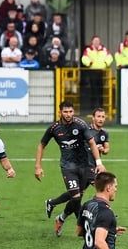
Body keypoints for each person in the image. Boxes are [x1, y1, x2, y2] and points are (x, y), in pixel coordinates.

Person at [35, 101, 106, 237]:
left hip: (85, 166)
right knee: (76, 197)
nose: (68, 115)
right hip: (68, 167)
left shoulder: (80, 124)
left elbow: (91, 142)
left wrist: (99, 163)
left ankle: (58, 213)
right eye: (65, 112)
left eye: (71, 112)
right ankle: (86, 229)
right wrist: (38, 166)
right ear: (60, 112)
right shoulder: (54, 128)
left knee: (100, 189)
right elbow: (41, 145)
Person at [46, 107, 110, 223]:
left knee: (76, 195)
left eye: (103, 117)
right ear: (93, 118)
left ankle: (57, 211)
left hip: (93, 167)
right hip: (85, 167)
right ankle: (98, 217)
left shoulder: (104, 133)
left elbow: (106, 149)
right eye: (98, 116)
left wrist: (102, 150)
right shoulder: (84, 129)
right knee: (103, 188)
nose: (101, 119)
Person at [80, 35, 113, 112]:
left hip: (102, 71)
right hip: (92, 71)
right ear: (92, 41)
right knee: (93, 89)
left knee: (101, 89)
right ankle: (92, 106)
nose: (96, 42)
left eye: (98, 41)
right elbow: (84, 58)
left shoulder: (104, 49)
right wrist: (90, 63)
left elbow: (110, 57)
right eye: (95, 41)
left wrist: (105, 63)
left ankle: (101, 106)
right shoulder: (88, 49)